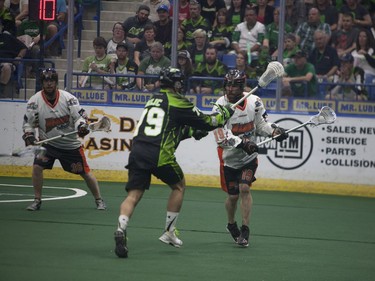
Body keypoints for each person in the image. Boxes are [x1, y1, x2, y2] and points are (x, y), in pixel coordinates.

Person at [113, 66, 235, 258]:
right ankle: (169, 232)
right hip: (158, 154)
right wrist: (225, 114)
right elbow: (208, 122)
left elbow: (172, 130)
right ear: (177, 83)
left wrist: (194, 132)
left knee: (134, 195)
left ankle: (121, 228)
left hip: (137, 151)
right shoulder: (178, 101)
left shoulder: (153, 100)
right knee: (179, 186)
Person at [213, 69, 288, 247]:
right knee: (232, 197)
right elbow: (220, 136)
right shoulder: (220, 105)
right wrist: (242, 143)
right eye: (228, 85)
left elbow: (261, 125)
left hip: (249, 158)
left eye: (235, 85)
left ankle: (245, 230)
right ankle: (231, 224)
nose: (230, 89)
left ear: (242, 87)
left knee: (244, 188)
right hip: (229, 159)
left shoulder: (254, 101)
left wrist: (274, 131)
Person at [22, 68, 106, 211]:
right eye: (46, 81)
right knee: (37, 168)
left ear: (56, 82)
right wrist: (29, 135)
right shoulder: (34, 101)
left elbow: (80, 117)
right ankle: (37, 200)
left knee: (85, 173)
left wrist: (81, 126)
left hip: (70, 145)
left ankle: (99, 200)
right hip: (47, 144)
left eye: (52, 81)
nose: (49, 84)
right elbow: (28, 123)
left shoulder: (68, 98)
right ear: (42, 83)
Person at [0, 19, 27, 96]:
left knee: (6, 67)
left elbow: (23, 48)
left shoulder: (7, 37)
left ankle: (1, 90)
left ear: (2, 27)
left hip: (7, 63)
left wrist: (19, 56)